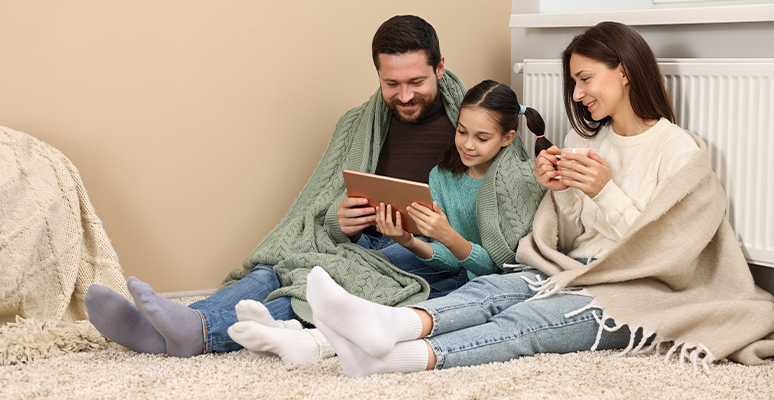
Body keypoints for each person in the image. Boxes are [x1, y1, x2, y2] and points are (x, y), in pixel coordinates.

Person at [304, 21, 774, 377]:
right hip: (575, 267)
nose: (578, 93)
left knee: (528, 321)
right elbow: (567, 238)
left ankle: (392, 358)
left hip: (639, 289)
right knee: (492, 291)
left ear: (625, 72)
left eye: (585, 79)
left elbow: (670, 255)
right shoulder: (588, 141)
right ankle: (390, 326)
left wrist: (603, 190)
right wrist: (562, 193)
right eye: (574, 82)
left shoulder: (679, 151)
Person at [83, 15, 542, 359]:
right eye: (392, 83)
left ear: (440, 67)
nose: (404, 95)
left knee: (321, 282)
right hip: (366, 239)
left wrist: (419, 236)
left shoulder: (473, 122)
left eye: (416, 82)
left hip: (421, 252)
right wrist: (342, 222)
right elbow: (320, 206)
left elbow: (500, 219)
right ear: (378, 76)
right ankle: (174, 324)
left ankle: (200, 332)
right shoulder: (357, 125)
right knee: (281, 266)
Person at [228, 80, 547, 363]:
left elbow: (501, 270)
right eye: (462, 131)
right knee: (363, 268)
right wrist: (409, 240)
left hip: (478, 285)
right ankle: (283, 325)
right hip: (449, 270)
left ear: (507, 138)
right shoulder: (442, 176)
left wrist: (449, 236)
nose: (467, 144)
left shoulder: (518, 182)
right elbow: (450, 262)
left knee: (397, 299)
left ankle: (306, 338)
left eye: (482, 137)